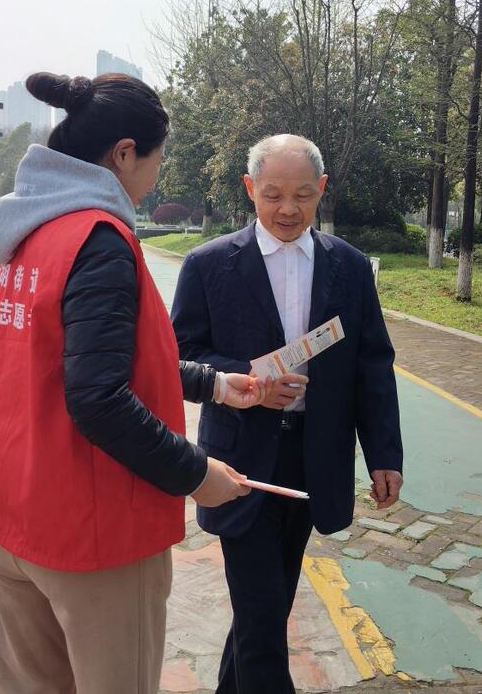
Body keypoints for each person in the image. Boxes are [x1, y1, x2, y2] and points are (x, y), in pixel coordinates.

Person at [0, 72, 263, 694]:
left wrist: (215, 385)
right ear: (124, 154)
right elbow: (98, 397)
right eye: (156, 161)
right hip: (95, 535)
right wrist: (197, 473)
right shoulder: (98, 240)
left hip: (18, 517)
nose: (155, 178)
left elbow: (93, 361)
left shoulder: (29, 232)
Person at [171, 133, 405, 694]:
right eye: (273, 194)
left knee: (267, 610)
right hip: (239, 463)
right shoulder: (209, 265)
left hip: (313, 457)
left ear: (321, 189)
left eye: (302, 195)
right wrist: (243, 380)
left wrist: (384, 455)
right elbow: (177, 357)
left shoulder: (348, 267)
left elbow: (372, 364)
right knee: (262, 620)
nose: (287, 209)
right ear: (249, 188)